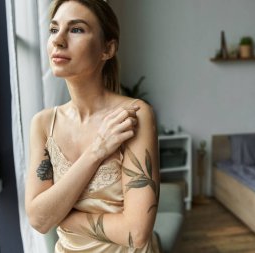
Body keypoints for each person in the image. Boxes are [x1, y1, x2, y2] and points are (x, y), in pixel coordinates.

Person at [24, 0, 160, 252]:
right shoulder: (43, 124)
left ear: (107, 49)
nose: (59, 40)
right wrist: (97, 151)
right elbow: (37, 219)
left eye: (76, 29)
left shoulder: (134, 115)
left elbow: (136, 233)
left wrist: (59, 215)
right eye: (54, 30)